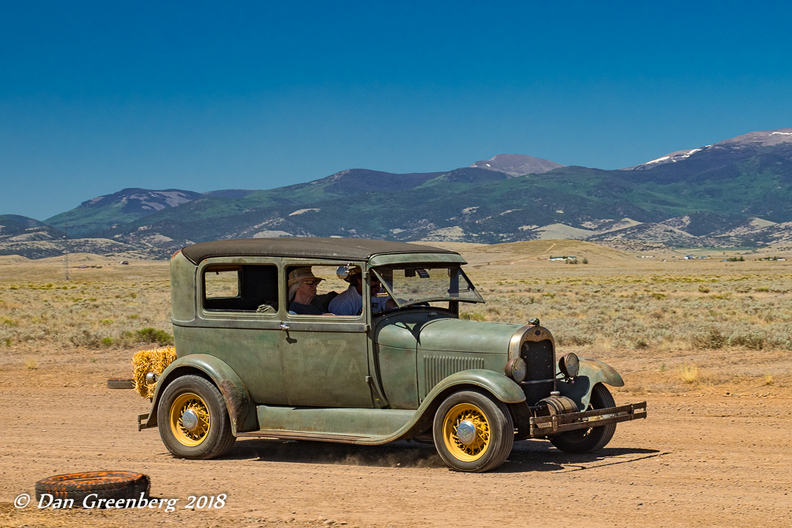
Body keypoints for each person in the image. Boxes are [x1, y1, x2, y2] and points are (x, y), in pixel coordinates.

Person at [329, 267, 395, 315]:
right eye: (374, 279)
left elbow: (390, 304)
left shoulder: (378, 292)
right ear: (359, 280)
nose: (379, 282)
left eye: (380, 279)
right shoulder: (343, 304)